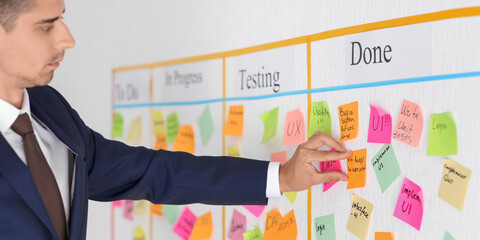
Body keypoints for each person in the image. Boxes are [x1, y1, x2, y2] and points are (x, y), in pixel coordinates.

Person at [0, 0, 352, 239]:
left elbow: (153, 172)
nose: (68, 38)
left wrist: (282, 177)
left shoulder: (49, 109)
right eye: (46, 27)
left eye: (63, 17)